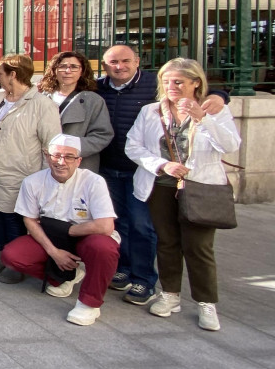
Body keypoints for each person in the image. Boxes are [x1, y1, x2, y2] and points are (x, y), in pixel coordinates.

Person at [96, 44, 227, 304]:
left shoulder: (153, 84)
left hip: (145, 171)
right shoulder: (99, 87)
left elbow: (192, 90)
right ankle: (123, 269)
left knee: (142, 226)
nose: (118, 67)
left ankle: (144, 279)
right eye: (112, 62)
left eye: (125, 61)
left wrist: (221, 95)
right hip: (109, 168)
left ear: (137, 61)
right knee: (116, 223)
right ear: (104, 65)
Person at [126, 58, 240, 332]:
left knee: (198, 247)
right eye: (166, 81)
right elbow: (134, 146)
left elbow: (230, 145)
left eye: (178, 82)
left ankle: (206, 302)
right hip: (160, 186)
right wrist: (162, 164)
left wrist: (203, 118)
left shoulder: (214, 110)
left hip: (200, 188)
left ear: (195, 82)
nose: (171, 87)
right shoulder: (152, 111)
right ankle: (170, 294)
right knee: (166, 242)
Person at [2, 134, 120, 326]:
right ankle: (65, 276)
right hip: (50, 235)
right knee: (12, 255)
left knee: (104, 249)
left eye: (69, 157)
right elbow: (30, 220)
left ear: (78, 160)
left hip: (86, 235)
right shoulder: (33, 182)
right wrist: (54, 252)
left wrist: (70, 231)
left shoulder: (93, 181)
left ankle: (89, 303)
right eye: (56, 156)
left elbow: (105, 226)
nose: (61, 162)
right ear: (47, 156)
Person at [0, 54, 61, 283]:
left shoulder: (42, 105)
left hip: (20, 173)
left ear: (13, 74)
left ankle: (15, 262)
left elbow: (50, 144)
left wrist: (46, 179)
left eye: (0, 73)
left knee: (13, 218)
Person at [38, 52, 113, 172]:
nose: (68, 71)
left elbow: (102, 136)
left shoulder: (93, 101)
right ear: (54, 70)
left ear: (82, 71)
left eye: (74, 67)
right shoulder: (42, 97)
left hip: (79, 165)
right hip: (45, 164)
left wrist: (71, 147)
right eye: (62, 66)